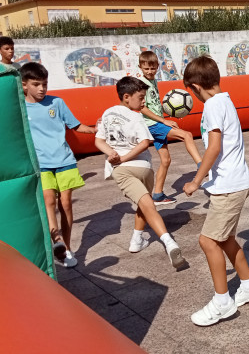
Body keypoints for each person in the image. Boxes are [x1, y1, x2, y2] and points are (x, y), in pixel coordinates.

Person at [182, 56, 249, 326]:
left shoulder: (213, 105)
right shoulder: (225, 100)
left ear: (195, 87)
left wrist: (196, 180)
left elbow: (214, 147)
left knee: (208, 241)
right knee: (226, 238)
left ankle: (222, 302)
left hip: (230, 186)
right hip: (234, 183)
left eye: (190, 92)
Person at [94, 77, 187, 269]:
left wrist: (114, 155)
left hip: (123, 169)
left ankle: (162, 242)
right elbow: (145, 143)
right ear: (126, 97)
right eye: (141, 97)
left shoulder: (107, 113)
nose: (144, 102)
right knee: (145, 203)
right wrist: (123, 157)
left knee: (144, 204)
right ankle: (156, 242)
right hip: (143, 167)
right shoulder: (135, 117)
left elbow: (99, 140)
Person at [20, 63, 96, 268]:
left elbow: (76, 125)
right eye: (36, 84)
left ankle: (66, 249)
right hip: (41, 164)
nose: (42, 88)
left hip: (64, 160)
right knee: (48, 200)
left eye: (44, 84)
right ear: (24, 85)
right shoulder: (19, 107)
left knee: (66, 204)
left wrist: (96, 130)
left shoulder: (57, 103)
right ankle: (56, 239)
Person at [138, 51, 203, 204]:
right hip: (152, 125)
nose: (149, 71)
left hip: (157, 122)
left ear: (157, 67)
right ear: (140, 67)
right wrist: (163, 121)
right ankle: (201, 165)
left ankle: (158, 194)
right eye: (146, 69)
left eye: (152, 68)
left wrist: (172, 113)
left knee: (166, 160)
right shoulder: (140, 84)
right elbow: (142, 108)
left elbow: (153, 105)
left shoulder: (153, 82)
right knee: (186, 135)